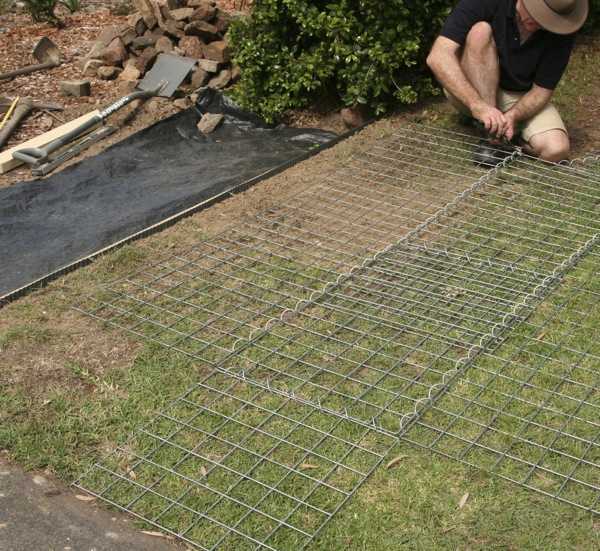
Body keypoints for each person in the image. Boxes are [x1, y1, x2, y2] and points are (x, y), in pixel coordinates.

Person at [426, 0, 589, 163]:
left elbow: (541, 91)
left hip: (518, 97)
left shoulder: (561, 28)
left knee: (556, 150)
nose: (539, 22)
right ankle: (490, 133)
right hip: (472, 89)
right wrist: (477, 105)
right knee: (480, 31)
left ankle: (508, 135)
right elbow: (438, 57)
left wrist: (513, 116)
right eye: (537, 13)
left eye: (548, 20)